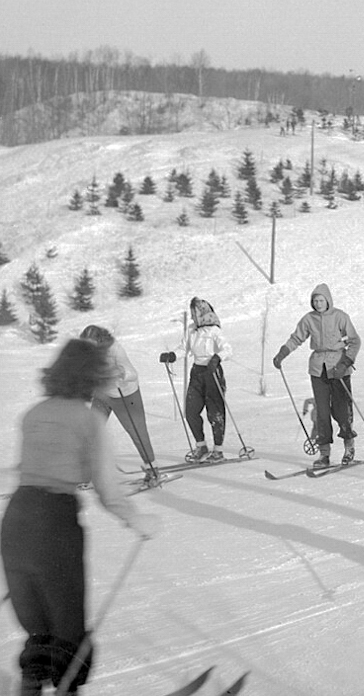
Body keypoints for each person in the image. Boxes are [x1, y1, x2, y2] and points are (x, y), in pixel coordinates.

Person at [2, 339, 157, 695]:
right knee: (67, 631)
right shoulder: (88, 420)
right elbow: (108, 489)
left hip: (16, 520)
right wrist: (138, 521)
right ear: (90, 376)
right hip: (54, 524)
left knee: (37, 630)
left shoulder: (34, 413)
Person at [273, 284, 362, 468]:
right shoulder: (308, 319)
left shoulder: (340, 317)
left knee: (341, 411)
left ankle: (349, 447)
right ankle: (324, 454)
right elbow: (296, 338)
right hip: (317, 369)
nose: (318, 303)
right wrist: (282, 354)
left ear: (328, 300)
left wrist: (345, 362)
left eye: (321, 300)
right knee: (322, 412)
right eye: (315, 300)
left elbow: (354, 341)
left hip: (338, 368)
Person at [79, 325, 158, 484]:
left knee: (137, 433)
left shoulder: (115, 349)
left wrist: (120, 372)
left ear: (99, 340)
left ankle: (152, 469)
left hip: (125, 395)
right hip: (103, 394)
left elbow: (132, 373)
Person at [166, 297, 231, 463]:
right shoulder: (191, 330)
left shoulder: (214, 331)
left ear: (202, 314)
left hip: (212, 371)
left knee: (215, 412)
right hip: (197, 373)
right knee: (191, 411)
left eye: (194, 314)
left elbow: (227, 349)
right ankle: (201, 446)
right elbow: (184, 348)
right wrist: (172, 355)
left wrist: (217, 358)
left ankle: (218, 450)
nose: (193, 318)